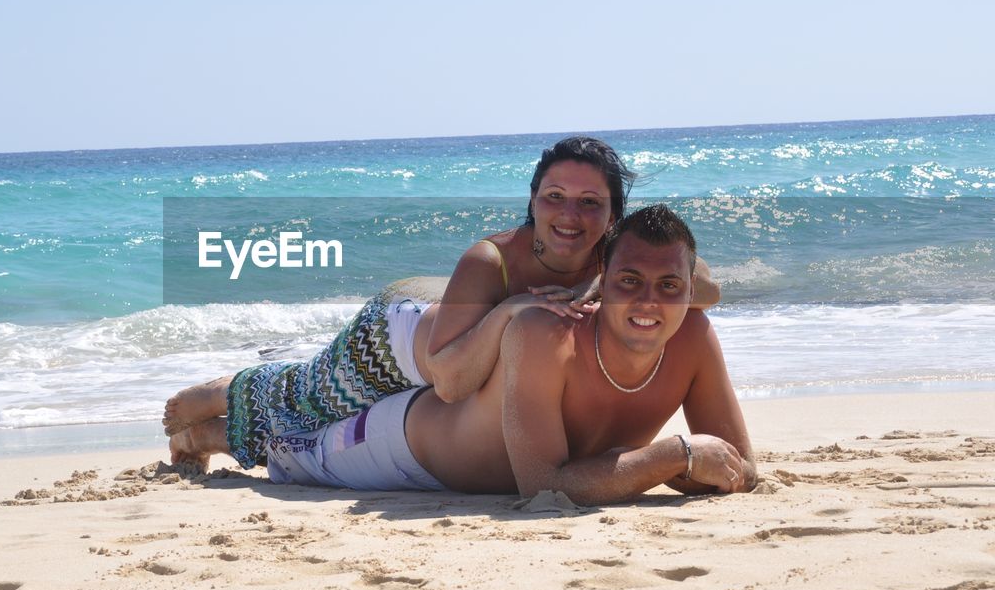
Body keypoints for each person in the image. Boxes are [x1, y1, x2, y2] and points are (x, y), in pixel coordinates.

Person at [166, 138, 721, 471]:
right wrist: (511, 308)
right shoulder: (491, 260)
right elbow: (452, 383)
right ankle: (218, 392)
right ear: (532, 201)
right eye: (554, 197)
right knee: (307, 397)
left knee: (311, 438)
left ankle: (210, 438)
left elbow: (706, 290)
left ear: (613, 215)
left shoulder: (618, 257)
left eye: (589, 202)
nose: (570, 215)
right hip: (401, 342)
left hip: (458, 369)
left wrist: (597, 286)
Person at [179, 205, 754, 506]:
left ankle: (218, 429)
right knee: (288, 442)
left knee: (298, 418)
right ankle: (211, 424)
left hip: (440, 370)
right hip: (404, 446)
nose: (649, 302)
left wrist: (689, 466)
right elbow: (542, 485)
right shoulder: (542, 332)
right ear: (604, 277)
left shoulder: (694, 336)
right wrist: (676, 455)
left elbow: (739, 470)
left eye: (670, 287)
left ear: (689, 286)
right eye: (629, 281)